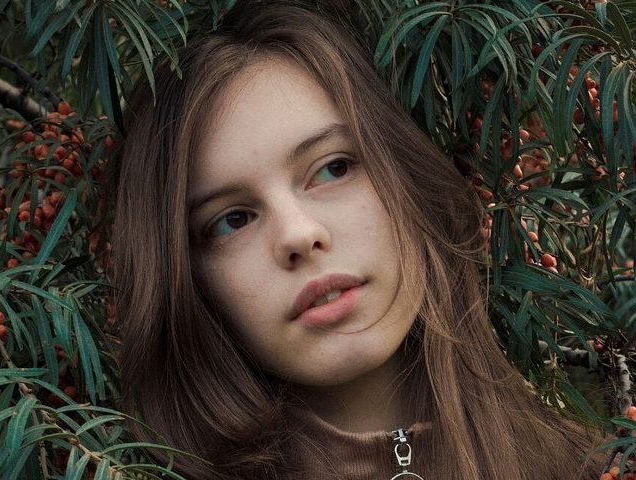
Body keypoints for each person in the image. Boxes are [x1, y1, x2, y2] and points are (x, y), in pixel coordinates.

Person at [109, 1, 608, 478]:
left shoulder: (594, 468)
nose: (299, 234)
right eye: (233, 220)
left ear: (410, 179)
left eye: (334, 168)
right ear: (188, 277)